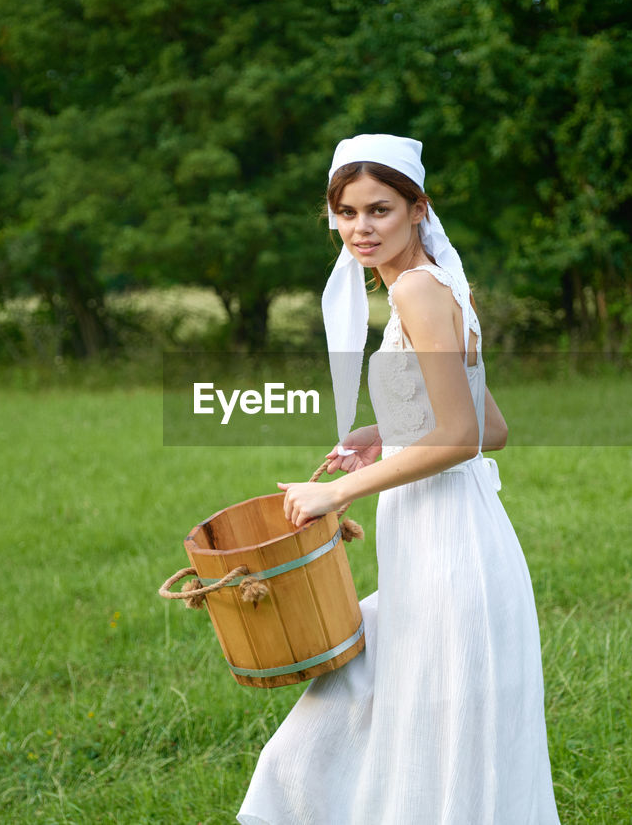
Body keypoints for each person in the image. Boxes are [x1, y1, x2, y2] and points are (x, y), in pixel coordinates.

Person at [238, 134, 558, 824]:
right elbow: (488, 425)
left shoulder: (415, 288)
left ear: (418, 208)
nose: (361, 227)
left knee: (429, 736)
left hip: (451, 550)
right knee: (373, 723)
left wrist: (339, 490)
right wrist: (387, 431)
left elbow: (464, 436)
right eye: (346, 213)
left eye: (379, 209)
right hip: (439, 544)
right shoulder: (443, 286)